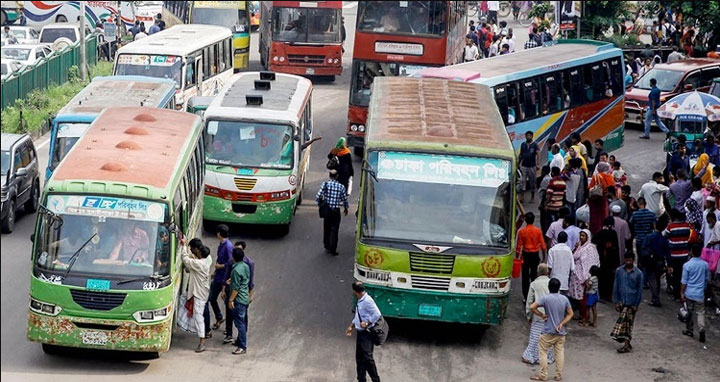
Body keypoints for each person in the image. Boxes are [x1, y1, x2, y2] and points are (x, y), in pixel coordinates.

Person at [529, 278, 573, 382]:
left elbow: (532, 307)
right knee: (559, 353)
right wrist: (561, 323)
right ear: (559, 288)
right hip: (560, 332)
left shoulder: (545, 298)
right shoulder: (564, 299)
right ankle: (558, 375)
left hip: (548, 331)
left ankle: (543, 375)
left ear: (549, 287)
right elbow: (571, 314)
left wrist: (542, 315)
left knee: (543, 352)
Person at [180, 238, 212, 352]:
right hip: (200, 291)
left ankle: (202, 341)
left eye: (192, 249)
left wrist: (183, 247)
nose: (191, 251)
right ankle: (190, 327)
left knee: (199, 317)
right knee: (183, 300)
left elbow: (186, 260)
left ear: (197, 250)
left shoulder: (199, 263)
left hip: (199, 293)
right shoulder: (206, 260)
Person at [346, 282, 382, 382]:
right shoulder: (360, 300)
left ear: (354, 291)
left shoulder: (367, 301)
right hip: (360, 333)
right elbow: (358, 316)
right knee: (360, 359)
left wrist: (367, 323)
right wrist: (351, 326)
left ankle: (376, 379)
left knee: (367, 358)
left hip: (367, 333)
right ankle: (361, 379)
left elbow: (377, 314)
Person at [680, 232, 710, 343]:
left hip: (689, 292)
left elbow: (684, 281)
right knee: (700, 312)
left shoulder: (687, 265)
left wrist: (682, 293)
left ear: (691, 252)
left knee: (689, 312)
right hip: (700, 293)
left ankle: (690, 330)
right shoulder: (705, 265)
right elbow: (707, 279)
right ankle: (701, 329)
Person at [611, 252, 644, 353]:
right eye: (626, 259)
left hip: (632, 303)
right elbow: (616, 286)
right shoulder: (619, 271)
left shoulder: (638, 273)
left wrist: (636, 304)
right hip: (622, 302)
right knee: (624, 324)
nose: (628, 261)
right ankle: (627, 343)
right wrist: (616, 301)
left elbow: (639, 290)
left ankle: (626, 344)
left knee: (628, 324)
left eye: (630, 259)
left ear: (633, 260)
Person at [522, 263, 554, 365]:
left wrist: (529, 315)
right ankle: (547, 357)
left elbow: (529, 302)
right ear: (548, 272)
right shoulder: (552, 283)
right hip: (550, 315)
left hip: (538, 314)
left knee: (535, 336)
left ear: (537, 273)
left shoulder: (534, 284)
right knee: (547, 337)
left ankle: (530, 356)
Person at [568, 230, 600, 325]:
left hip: (585, 277)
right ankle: (583, 316)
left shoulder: (590, 249)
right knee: (580, 298)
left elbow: (590, 262)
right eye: (580, 235)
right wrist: (576, 248)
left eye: (583, 236)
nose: (581, 237)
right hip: (577, 275)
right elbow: (573, 256)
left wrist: (586, 276)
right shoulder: (580, 247)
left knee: (585, 299)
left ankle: (586, 318)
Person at [316, 169, 349, 256]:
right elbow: (344, 199)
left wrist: (320, 205)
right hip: (335, 211)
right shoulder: (341, 187)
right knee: (334, 229)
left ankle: (327, 246)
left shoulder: (325, 184)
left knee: (326, 228)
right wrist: (346, 208)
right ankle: (333, 249)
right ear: (337, 176)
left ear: (330, 176)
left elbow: (318, 196)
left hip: (327, 210)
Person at [663, 209, 694, 300]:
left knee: (675, 275)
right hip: (684, 255)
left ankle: (676, 294)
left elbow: (665, 236)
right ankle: (683, 293)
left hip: (674, 255)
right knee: (683, 275)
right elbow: (690, 237)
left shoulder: (670, 227)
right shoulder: (687, 226)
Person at [517, 212, 547, 301]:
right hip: (535, 255)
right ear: (533, 220)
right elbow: (543, 246)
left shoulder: (522, 231)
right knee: (534, 276)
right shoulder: (538, 231)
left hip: (525, 255)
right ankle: (534, 296)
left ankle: (526, 297)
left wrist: (517, 258)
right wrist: (544, 258)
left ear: (525, 220)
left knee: (525, 277)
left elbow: (518, 247)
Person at [227, 247, 250, 355]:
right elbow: (244, 280)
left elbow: (236, 288)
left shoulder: (235, 270)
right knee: (242, 321)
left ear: (233, 257)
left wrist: (231, 300)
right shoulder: (245, 266)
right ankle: (240, 341)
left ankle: (242, 346)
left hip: (239, 299)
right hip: (245, 297)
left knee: (239, 323)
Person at [642, 221, 669, 307]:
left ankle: (655, 298)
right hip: (660, 261)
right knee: (657, 279)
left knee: (652, 279)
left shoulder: (649, 237)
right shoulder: (663, 238)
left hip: (651, 260)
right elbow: (667, 252)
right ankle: (655, 297)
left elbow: (643, 248)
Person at [594, 216, 620, 301]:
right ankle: (609, 295)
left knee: (602, 277)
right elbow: (616, 248)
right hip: (611, 260)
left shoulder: (600, 232)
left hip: (601, 259)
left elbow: (594, 240)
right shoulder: (613, 233)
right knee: (610, 278)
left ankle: (602, 295)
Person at [588, 163, 614, 234]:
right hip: (604, 199)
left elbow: (590, 187)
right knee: (603, 215)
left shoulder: (596, 176)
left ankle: (595, 232)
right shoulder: (610, 177)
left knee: (595, 218)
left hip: (595, 200)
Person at [519, 131, 540, 203]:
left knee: (532, 182)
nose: (528, 137)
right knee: (522, 181)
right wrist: (519, 163)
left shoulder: (535, 145)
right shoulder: (523, 144)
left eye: (530, 136)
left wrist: (537, 163)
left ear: (532, 136)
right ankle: (522, 197)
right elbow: (521, 154)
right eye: (527, 135)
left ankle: (532, 197)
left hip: (532, 166)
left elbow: (537, 154)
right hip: (524, 166)